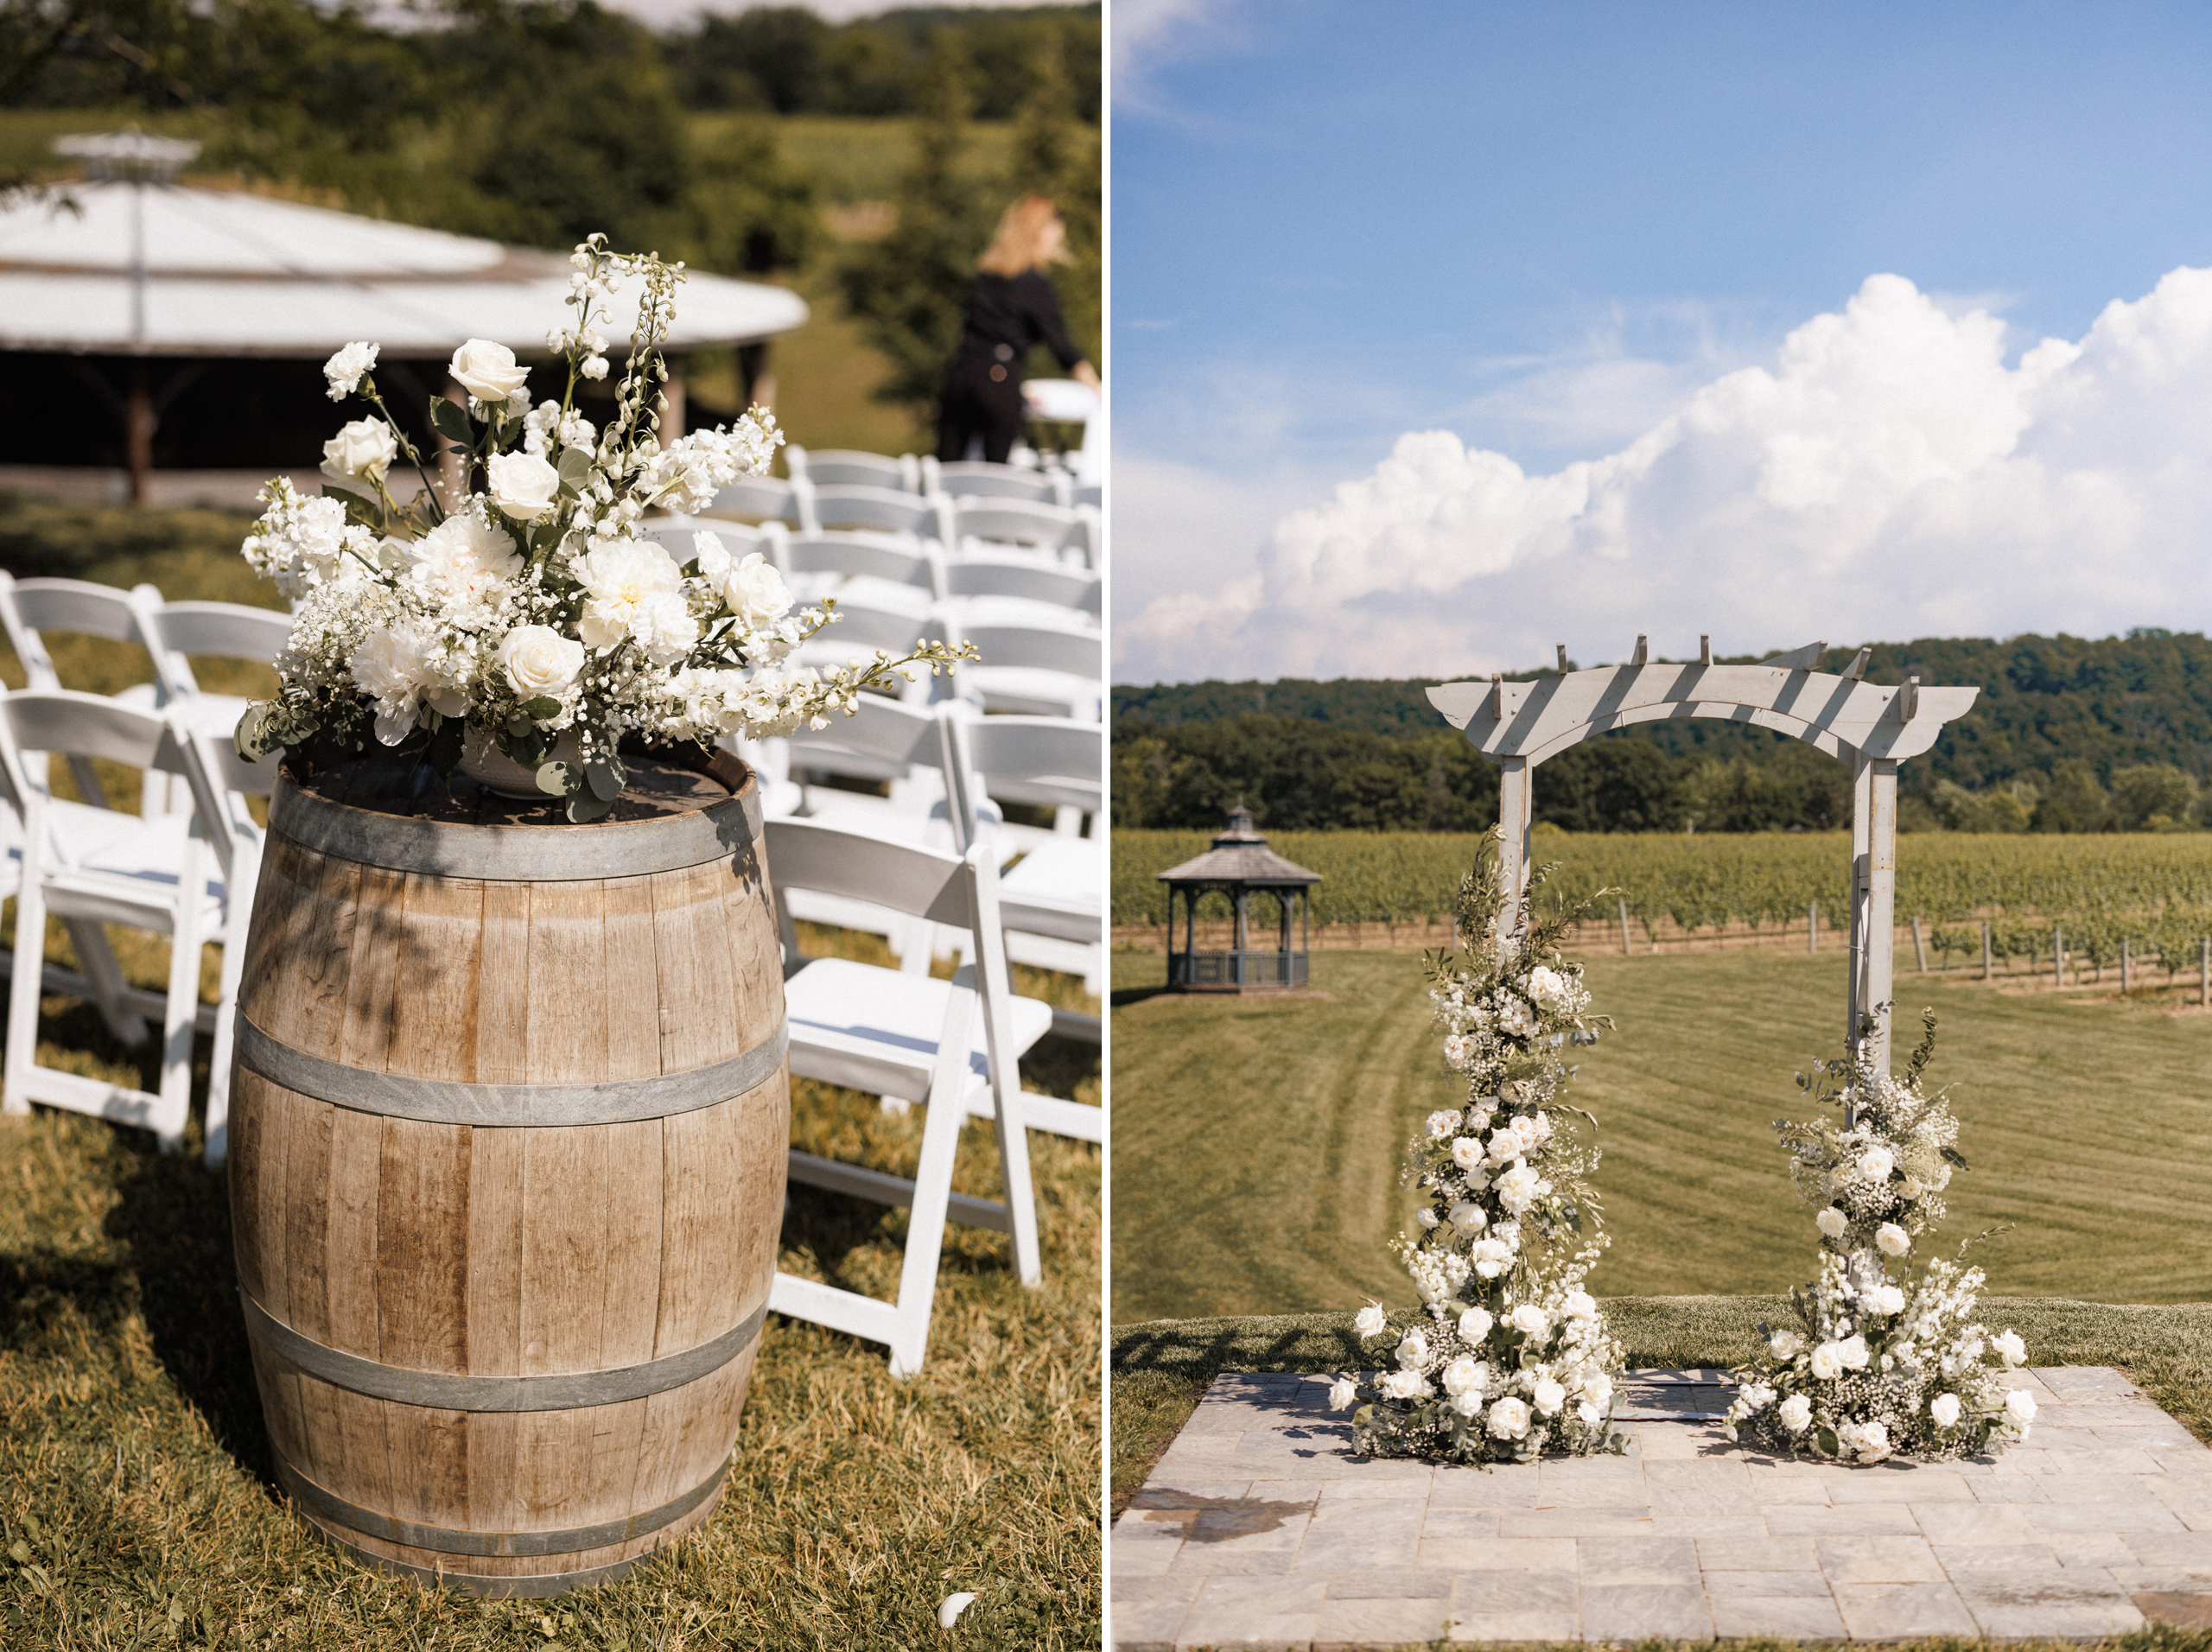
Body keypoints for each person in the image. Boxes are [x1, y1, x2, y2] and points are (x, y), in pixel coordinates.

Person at [937, 195, 1100, 464]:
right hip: (1000, 376)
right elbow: (1061, 344)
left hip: (960, 374)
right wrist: (1094, 384)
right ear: (1038, 234)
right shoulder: (1034, 282)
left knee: (948, 468)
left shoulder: (985, 275)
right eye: (1055, 236)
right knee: (995, 471)